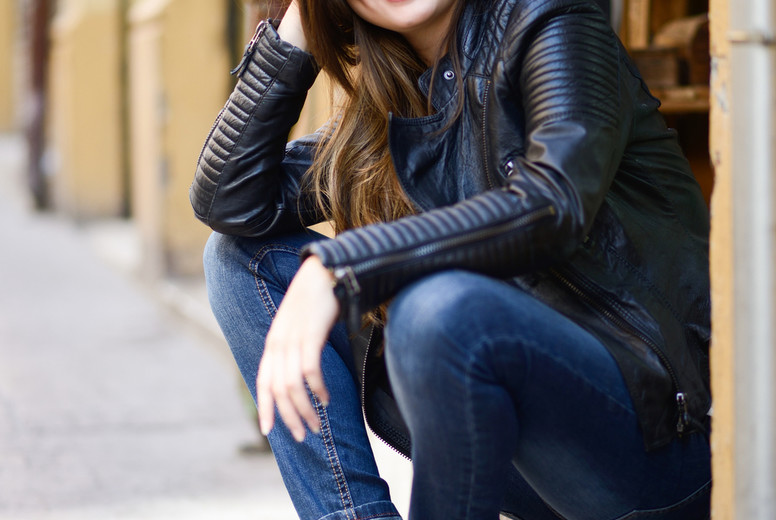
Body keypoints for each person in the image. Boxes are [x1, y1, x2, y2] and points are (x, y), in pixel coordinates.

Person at [190, 0, 712, 518]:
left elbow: (553, 205)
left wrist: (343, 267)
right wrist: (297, 29)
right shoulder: (393, 103)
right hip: (533, 462)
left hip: (659, 439)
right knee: (240, 257)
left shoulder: (552, 20)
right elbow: (230, 199)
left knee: (441, 310)